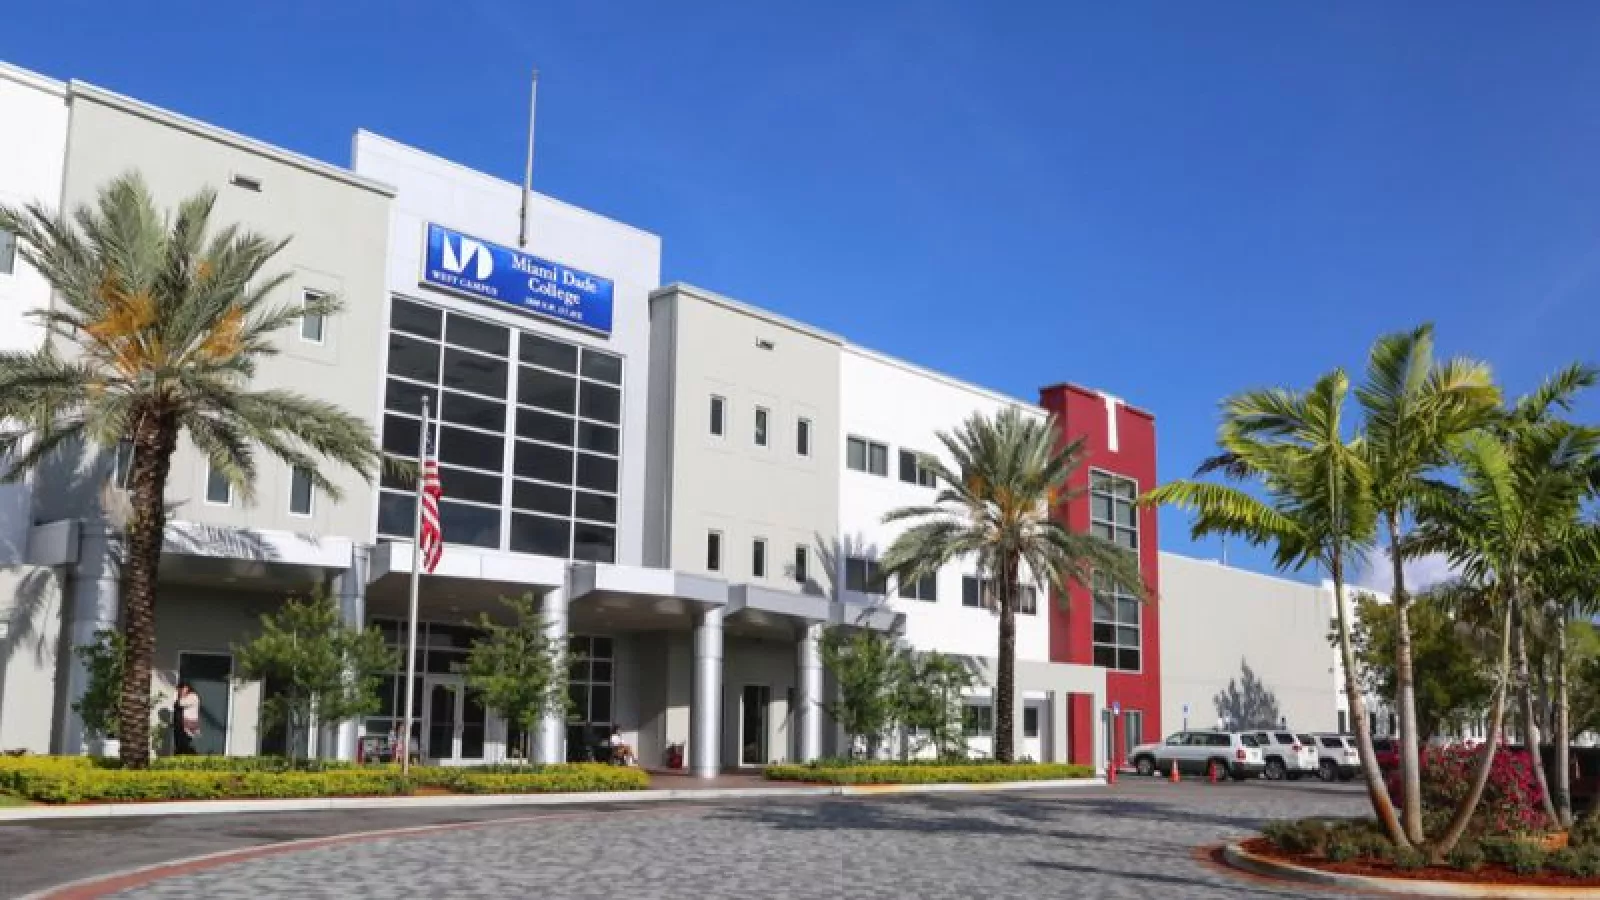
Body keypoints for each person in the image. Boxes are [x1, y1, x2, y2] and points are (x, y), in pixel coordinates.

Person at [173, 682, 200, 755]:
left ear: (188, 688)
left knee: (184, 743)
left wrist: (180, 695)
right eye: (180, 689)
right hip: (179, 724)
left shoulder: (193, 696)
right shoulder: (181, 697)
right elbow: (175, 703)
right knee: (178, 743)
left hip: (188, 723)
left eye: (183, 688)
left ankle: (189, 756)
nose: (181, 690)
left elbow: (181, 703)